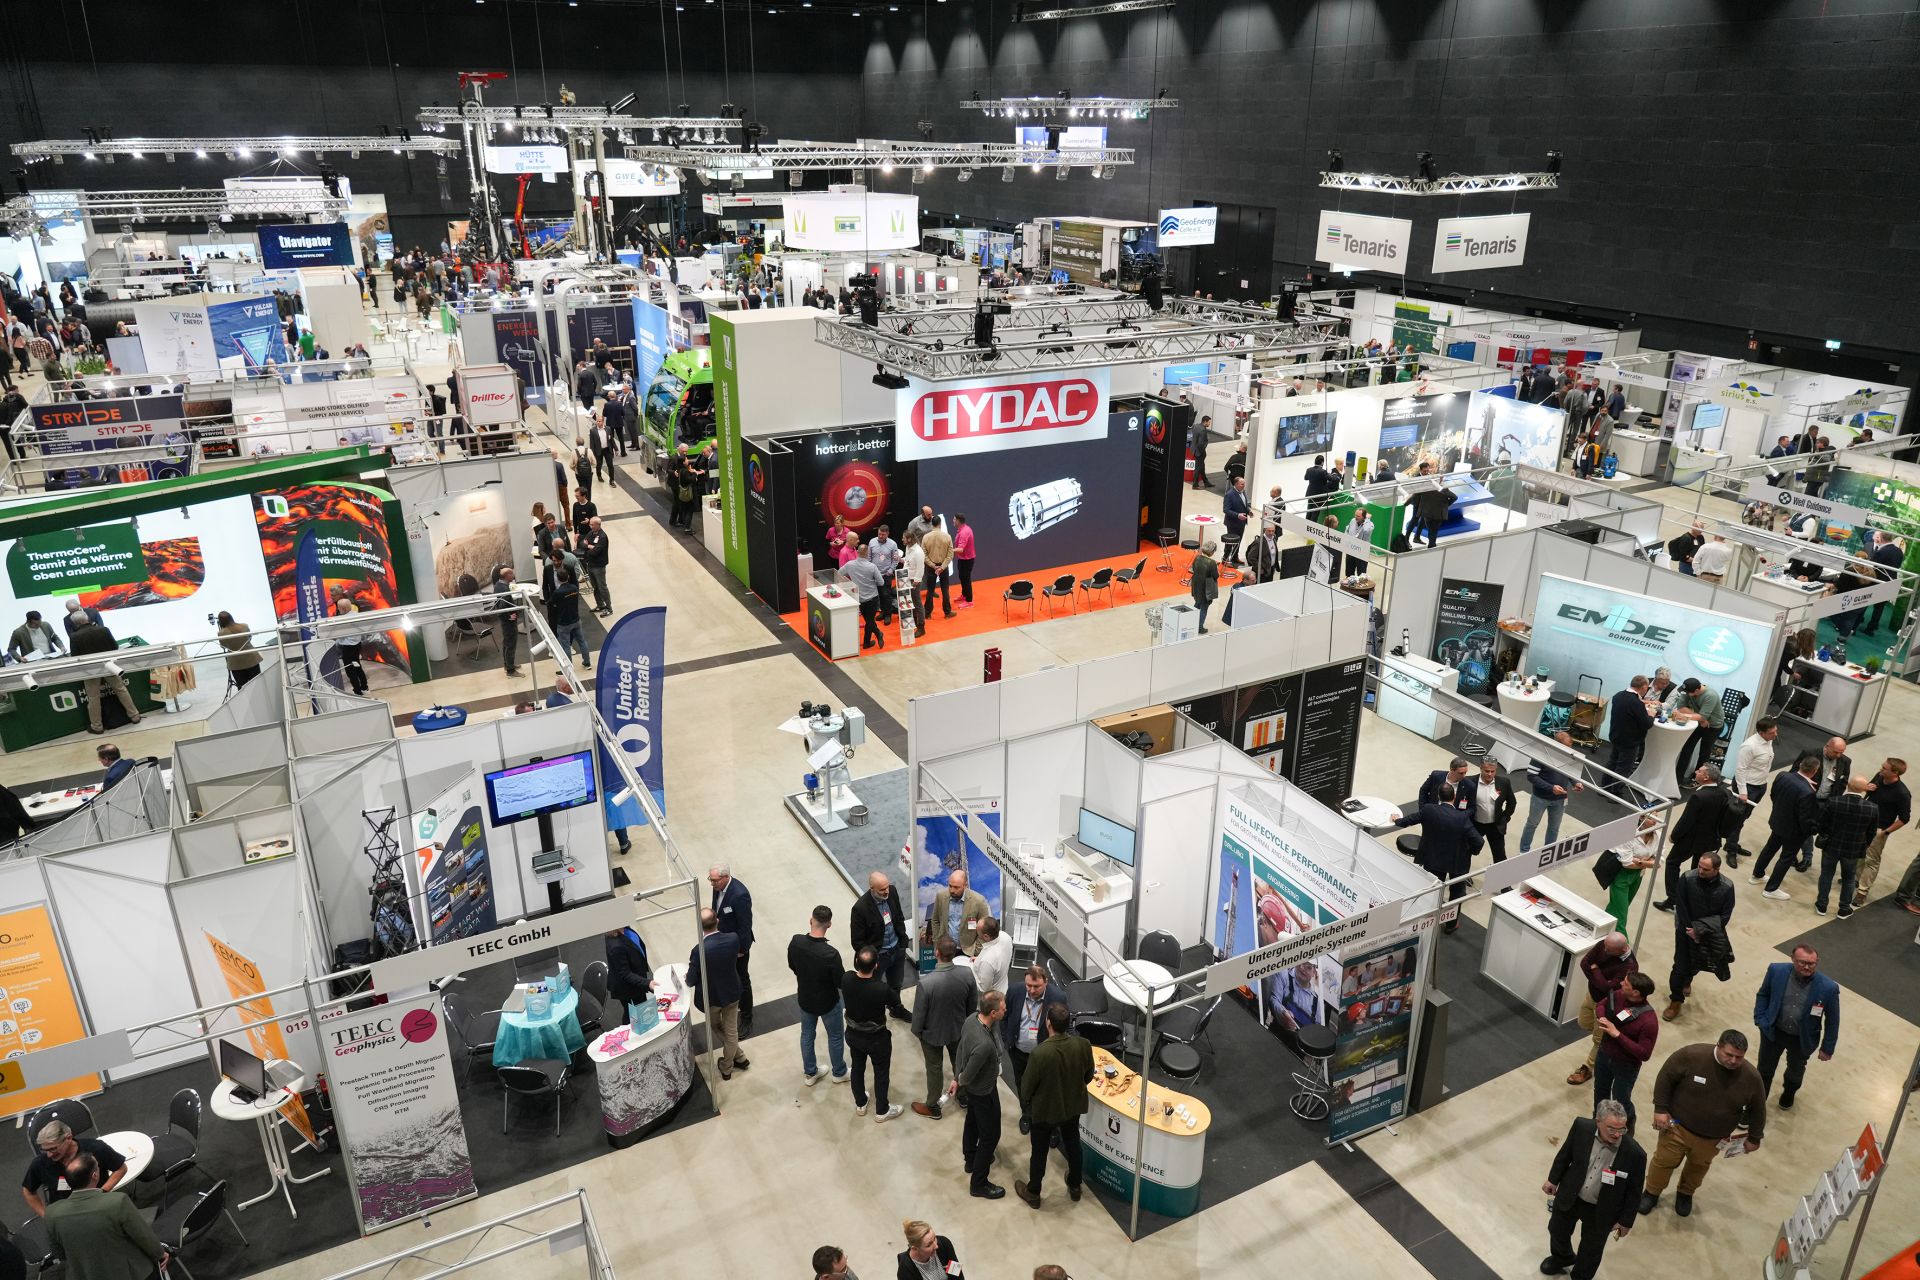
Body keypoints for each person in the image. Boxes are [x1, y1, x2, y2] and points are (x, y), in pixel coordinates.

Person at [1640, 1029, 1766, 1217]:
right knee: (1663, 1162)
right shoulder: (1691, 1055)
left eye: (1739, 1057)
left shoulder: (1751, 1077)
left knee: (1698, 1167)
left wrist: (1755, 1137)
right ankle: (1651, 1192)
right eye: (1729, 1054)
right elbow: (1666, 1077)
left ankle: (1685, 1194)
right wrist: (1660, 1109)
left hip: (1713, 1138)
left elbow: (1758, 1109)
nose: (1733, 1061)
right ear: (1718, 1046)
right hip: (1677, 1126)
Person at [1541, 1101, 1645, 1279]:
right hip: (1572, 1194)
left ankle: (1580, 1277)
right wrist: (1553, 1179)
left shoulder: (1635, 1154)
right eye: (1611, 1128)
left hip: (1602, 1208)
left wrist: (1626, 1221)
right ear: (1598, 1121)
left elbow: (1634, 1192)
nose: (1617, 1134)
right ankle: (1562, 1257)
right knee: (1557, 1230)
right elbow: (1565, 1154)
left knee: (1591, 1250)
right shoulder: (1582, 1127)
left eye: (1622, 1129)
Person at [1015, 1004, 1094, 1208]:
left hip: (1044, 1113)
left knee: (1039, 1153)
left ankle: (1033, 1192)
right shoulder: (1084, 1045)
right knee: (1073, 1145)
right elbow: (1088, 1076)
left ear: (1048, 1023)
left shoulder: (1040, 1054)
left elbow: (1026, 1090)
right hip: (1072, 1108)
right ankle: (1075, 1186)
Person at [42, 1153, 167, 1280]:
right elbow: (142, 1235)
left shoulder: (52, 1213)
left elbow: (59, 1253)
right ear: (95, 1175)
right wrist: (160, 1253)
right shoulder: (117, 1202)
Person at [1753, 945, 1840, 1109]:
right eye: (1802, 963)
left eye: (1811, 963)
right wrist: (1760, 1019)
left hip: (1802, 1039)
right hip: (1773, 1032)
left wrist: (1827, 1047)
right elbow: (1764, 994)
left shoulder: (1828, 988)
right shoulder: (1776, 971)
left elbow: (1833, 1020)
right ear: (1792, 958)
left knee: (1795, 1071)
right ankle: (1757, 1106)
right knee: (1764, 1070)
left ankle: (1789, 1093)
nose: (1807, 967)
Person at [1393, 783, 1482, 932]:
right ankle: (1451, 924)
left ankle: (1428, 921)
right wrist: (1470, 851)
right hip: (1457, 862)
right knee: (1457, 893)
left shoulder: (1429, 810)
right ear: (1454, 798)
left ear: (1439, 797)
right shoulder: (1462, 817)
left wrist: (1397, 820)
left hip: (1434, 859)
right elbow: (1478, 841)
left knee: (1432, 891)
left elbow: (1409, 820)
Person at [1657, 766, 1742, 909]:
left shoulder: (1698, 796)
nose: (1696, 772)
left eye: (1700, 771)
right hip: (1711, 841)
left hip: (1691, 840)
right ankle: (1693, 900)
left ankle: (1673, 898)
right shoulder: (1724, 792)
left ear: (1706, 777)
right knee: (1698, 871)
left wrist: (1674, 836)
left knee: (1672, 862)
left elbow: (1686, 820)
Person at [910, 936, 977, 1119]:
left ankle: (933, 1107)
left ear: (936, 953)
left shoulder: (926, 984)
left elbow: (918, 1018)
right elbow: (972, 1006)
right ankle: (963, 1096)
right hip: (959, 1031)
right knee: (960, 1063)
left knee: (934, 1068)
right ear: (954, 952)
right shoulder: (967, 974)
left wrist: (919, 1033)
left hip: (932, 1035)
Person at [1665, 852, 1735, 1022]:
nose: (1700, 871)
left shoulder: (1727, 886)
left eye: (1706, 869)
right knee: (1680, 966)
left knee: (1697, 962)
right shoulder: (1687, 878)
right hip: (1685, 930)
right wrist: (1691, 928)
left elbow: (1725, 915)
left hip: (1708, 932)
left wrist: (1700, 930)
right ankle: (1676, 1000)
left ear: (1716, 870)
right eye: (1699, 867)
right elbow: (1681, 906)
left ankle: (1688, 980)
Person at [953, 991, 1008, 1198]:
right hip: (983, 1091)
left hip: (979, 1090)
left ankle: (970, 1158)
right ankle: (979, 1183)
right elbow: (967, 1077)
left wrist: (954, 1076)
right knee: (991, 1136)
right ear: (993, 1013)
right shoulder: (984, 1045)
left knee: (972, 1121)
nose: (1006, 1010)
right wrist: (959, 1080)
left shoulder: (971, 1020)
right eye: (1003, 1008)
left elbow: (960, 1049)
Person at [1564, 933, 1637, 1088]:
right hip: (1592, 995)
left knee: (1599, 1040)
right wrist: (1601, 980)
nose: (1604, 950)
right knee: (1583, 1022)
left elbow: (1609, 988)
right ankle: (1605, 1040)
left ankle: (1588, 1068)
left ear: (1621, 949)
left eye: (1608, 949)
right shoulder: (1605, 945)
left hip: (1607, 1006)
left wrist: (1596, 971)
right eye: (1604, 946)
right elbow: (1585, 963)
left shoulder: (1630, 967)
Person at [788, 904, 849, 1087]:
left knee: (807, 1034)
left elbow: (792, 965)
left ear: (811, 920)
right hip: (828, 1002)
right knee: (836, 1036)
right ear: (829, 924)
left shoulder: (796, 942)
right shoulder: (830, 954)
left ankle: (810, 1072)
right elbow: (840, 982)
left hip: (805, 998)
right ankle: (839, 1072)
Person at [1002, 965, 1066, 1135]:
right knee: (1023, 1086)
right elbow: (1005, 1017)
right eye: (1028, 985)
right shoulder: (1015, 991)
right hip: (1018, 1053)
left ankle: (1052, 1126)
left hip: (1044, 1057)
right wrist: (1006, 1038)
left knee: (1048, 1089)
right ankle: (1027, 1114)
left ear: (1046, 982)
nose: (1031, 990)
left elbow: (1063, 1026)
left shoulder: (1057, 997)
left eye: (1036, 986)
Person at [686, 908, 749, 1079]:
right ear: (718, 921)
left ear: (699, 927)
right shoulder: (733, 939)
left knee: (716, 1026)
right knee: (731, 1031)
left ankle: (727, 1066)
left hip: (712, 997)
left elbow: (690, 980)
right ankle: (739, 1056)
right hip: (732, 993)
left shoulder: (699, 950)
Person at [843, 946, 903, 1122]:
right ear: (877, 965)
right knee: (881, 1072)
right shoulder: (881, 989)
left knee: (857, 1067)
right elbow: (895, 1001)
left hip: (854, 1035)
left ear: (856, 962)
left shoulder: (846, 979)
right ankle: (882, 1110)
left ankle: (861, 1103)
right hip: (877, 1039)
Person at [22, 1121, 127, 1216]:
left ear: (68, 1138)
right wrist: (46, 1217)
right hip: (65, 1214)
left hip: (99, 1207)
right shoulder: (40, 1163)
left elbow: (121, 1168)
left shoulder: (96, 1148)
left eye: (53, 1148)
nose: (49, 1155)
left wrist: (102, 1193)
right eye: (45, 1150)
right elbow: (28, 1191)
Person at [1752, 754, 1819, 899]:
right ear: (1814, 771)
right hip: (1794, 831)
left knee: (1769, 848)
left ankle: (1757, 875)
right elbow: (1805, 818)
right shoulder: (1808, 792)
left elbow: (1773, 795)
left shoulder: (1782, 776)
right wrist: (1811, 830)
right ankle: (1771, 889)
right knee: (1786, 858)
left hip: (1777, 821)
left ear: (1800, 765)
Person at [849, 870, 911, 1021]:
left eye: (887, 887)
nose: (886, 891)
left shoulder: (893, 892)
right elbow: (857, 941)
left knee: (896, 984)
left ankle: (896, 1008)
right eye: (882, 889)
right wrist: (871, 959)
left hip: (897, 950)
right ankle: (874, 1016)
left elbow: (899, 917)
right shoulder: (860, 909)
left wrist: (903, 941)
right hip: (878, 957)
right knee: (872, 989)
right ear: (872, 888)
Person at [67, 613, 141, 734]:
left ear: (75, 623)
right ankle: (135, 716)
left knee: (93, 697)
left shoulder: (74, 637)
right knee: (121, 690)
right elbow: (114, 646)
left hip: (90, 670)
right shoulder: (103, 629)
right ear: (87, 618)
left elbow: (76, 657)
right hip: (109, 666)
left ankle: (97, 726)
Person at [1816, 776, 1877, 917]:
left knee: (1826, 875)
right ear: (1864, 789)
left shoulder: (1834, 802)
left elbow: (1822, 824)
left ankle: (1822, 905)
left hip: (1831, 846)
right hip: (1853, 849)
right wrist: (1863, 844)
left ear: (1848, 785)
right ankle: (1844, 908)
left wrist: (1826, 836)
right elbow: (1871, 832)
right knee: (1849, 879)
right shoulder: (1872, 808)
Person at [1854, 756, 1910, 909]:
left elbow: (1905, 818)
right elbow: (1868, 789)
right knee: (1859, 853)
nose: (1880, 769)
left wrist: (1885, 832)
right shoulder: (1879, 777)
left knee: (1871, 860)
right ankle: (1858, 879)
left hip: (1879, 828)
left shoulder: (1902, 793)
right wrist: (1867, 787)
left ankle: (1862, 892)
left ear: (1895, 773)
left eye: (1884, 768)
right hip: (1863, 822)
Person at [708, 863, 755, 1029]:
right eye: (711, 880)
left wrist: (742, 949)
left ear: (726, 877)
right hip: (722, 942)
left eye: (714, 880)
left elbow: (745, 925)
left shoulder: (739, 895)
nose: (712, 884)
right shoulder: (717, 887)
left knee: (742, 980)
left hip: (737, 948)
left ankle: (746, 1016)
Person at [1521, 734, 1584, 850]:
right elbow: (1531, 776)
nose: (1568, 751)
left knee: (1554, 828)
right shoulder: (1541, 754)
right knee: (1532, 824)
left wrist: (1576, 783)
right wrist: (1551, 788)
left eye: (1570, 748)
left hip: (1560, 800)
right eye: (1566, 747)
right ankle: (1524, 851)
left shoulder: (1569, 756)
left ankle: (1548, 853)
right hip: (1540, 798)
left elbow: (1570, 774)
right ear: (1556, 744)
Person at [1604, 815, 1662, 933]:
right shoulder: (1629, 834)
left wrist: (1639, 861)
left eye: (1657, 818)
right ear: (1642, 818)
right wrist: (1648, 861)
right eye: (1652, 818)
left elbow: (1659, 862)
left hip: (1638, 875)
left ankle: (1603, 928)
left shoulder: (1658, 835)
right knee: (1621, 914)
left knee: (1617, 907)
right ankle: (1623, 946)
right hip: (1621, 876)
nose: (1655, 821)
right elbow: (1627, 864)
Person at [1665, 678, 1725, 786]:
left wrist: (1695, 717)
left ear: (1697, 690)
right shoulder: (1687, 689)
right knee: (1687, 748)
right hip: (1700, 723)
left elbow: (1701, 715)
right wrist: (1699, 718)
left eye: (1689, 693)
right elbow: (1681, 707)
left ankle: (1698, 779)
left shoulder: (1710, 695)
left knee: (1704, 752)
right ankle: (1678, 778)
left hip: (1713, 726)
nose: (1687, 694)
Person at [922, 869, 990, 959]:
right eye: (950, 886)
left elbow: (985, 928)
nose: (952, 890)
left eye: (956, 887)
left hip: (968, 951)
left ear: (965, 885)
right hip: (945, 949)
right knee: (946, 973)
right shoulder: (941, 896)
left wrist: (976, 951)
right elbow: (935, 920)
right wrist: (937, 943)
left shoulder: (979, 901)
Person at [1458, 759, 1516, 863]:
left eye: (1492, 771)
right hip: (1475, 825)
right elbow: (1461, 803)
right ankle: (1462, 877)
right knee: (1465, 852)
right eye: (1486, 771)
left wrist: (1504, 818)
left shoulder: (1504, 782)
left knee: (1500, 856)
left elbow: (1512, 803)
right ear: (1481, 769)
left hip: (1495, 826)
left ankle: (1502, 878)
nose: (1490, 774)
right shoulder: (1469, 782)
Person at [1604, 676, 1655, 786]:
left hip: (1616, 735)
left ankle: (1604, 786)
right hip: (1630, 741)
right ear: (1644, 687)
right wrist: (1651, 715)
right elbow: (1647, 724)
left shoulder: (1618, 696)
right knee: (1624, 768)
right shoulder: (1636, 703)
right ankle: (1615, 793)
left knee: (1612, 762)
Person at [840, 547, 887, 651]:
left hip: (859, 598)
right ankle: (877, 635)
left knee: (869, 621)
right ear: (868, 554)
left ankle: (868, 641)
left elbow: (839, 573)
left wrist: (850, 585)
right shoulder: (872, 567)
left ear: (857, 553)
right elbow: (881, 582)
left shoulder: (850, 565)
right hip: (872, 599)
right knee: (869, 621)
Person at [604, 925, 652, 1023]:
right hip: (628, 987)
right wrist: (648, 983)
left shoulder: (625, 929)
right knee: (632, 1014)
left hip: (637, 977)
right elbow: (625, 974)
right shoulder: (616, 946)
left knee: (642, 1009)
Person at [547, 567, 591, 669]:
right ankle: (587, 663)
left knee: (565, 645)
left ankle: (569, 667)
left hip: (564, 623)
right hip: (576, 619)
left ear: (557, 578)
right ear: (568, 576)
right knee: (582, 641)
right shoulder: (574, 588)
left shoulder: (558, 593)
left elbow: (550, 603)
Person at [1864, 531, 1906, 633]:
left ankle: (1856, 625)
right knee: (1880, 607)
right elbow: (1898, 566)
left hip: (1877, 581)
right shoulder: (1899, 551)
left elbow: (1872, 566)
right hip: (1891, 582)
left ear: (1881, 539)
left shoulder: (1881, 551)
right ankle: (1871, 628)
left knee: (1864, 602)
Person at [896, 1220, 963, 1280]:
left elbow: (957, 1275)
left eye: (934, 1238)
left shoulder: (944, 1244)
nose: (936, 1246)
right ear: (915, 1248)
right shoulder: (905, 1272)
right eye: (929, 1245)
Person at [490, 566, 523, 677]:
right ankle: (511, 670)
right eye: (512, 574)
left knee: (506, 643)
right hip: (508, 622)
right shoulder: (504, 589)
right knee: (510, 644)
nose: (513, 576)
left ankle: (508, 665)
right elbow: (502, 607)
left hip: (504, 621)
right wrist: (509, 616)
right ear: (507, 576)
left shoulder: (499, 585)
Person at [970, 916, 1014, 999]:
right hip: (1003, 986)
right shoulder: (1006, 936)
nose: (975, 928)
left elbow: (983, 988)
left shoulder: (988, 960)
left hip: (993, 999)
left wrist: (971, 970)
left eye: (977, 930)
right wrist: (978, 961)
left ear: (986, 937)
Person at [867, 525, 903, 623]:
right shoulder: (872, 542)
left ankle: (888, 615)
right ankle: (883, 612)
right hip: (874, 575)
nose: (880, 536)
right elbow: (869, 557)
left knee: (886, 595)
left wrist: (890, 571)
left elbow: (895, 560)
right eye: (879, 534)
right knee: (878, 595)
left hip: (886, 574)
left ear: (887, 534)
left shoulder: (893, 544)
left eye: (883, 534)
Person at [921, 522, 955, 621]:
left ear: (932, 524)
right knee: (945, 590)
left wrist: (933, 566)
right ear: (940, 524)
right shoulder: (947, 537)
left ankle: (927, 613)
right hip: (943, 567)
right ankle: (947, 612)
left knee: (930, 590)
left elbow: (924, 555)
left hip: (931, 567)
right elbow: (950, 555)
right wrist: (942, 567)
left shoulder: (926, 537)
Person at [578, 517, 611, 617]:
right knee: (595, 587)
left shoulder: (602, 537)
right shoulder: (591, 533)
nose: (590, 526)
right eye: (590, 524)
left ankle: (609, 608)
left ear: (598, 525)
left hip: (599, 566)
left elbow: (596, 552)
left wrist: (589, 548)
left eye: (592, 525)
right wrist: (589, 546)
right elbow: (582, 543)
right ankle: (600, 605)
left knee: (602, 587)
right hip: (591, 564)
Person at [1189, 540, 1220, 633]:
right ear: (1211, 551)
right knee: (1204, 607)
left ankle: (1190, 622)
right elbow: (1216, 576)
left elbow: (1194, 569)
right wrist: (1216, 569)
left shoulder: (1197, 558)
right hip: (1206, 588)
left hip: (1196, 585)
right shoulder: (1212, 563)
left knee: (1197, 603)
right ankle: (1199, 627)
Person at [1221, 477, 1250, 567]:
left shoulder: (1243, 492)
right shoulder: (1229, 494)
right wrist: (1238, 515)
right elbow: (1226, 510)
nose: (1244, 486)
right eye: (1242, 484)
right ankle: (1225, 559)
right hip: (1232, 523)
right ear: (1236, 484)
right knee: (1230, 543)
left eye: (1244, 484)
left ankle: (1234, 557)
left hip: (1242, 523)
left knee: (1238, 541)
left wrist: (1248, 511)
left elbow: (1244, 504)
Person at [951, 514, 976, 608]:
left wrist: (949, 550)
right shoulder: (962, 529)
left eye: (954, 519)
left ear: (958, 521)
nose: (952, 521)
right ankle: (964, 595)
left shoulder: (964, 532)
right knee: (962, 577)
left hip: (967, 560)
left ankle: (969, 601)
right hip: (962, 558)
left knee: (966, 579)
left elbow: (960, 549)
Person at [1189, 416, 1214, 490]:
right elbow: (1201, 444)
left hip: (1194, 450)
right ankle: (1195, 485)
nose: (1209, 423)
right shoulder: (1203, 430)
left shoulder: (1196, 426)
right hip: (1199, 452)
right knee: (1198, 468)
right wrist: (1202, 453)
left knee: (1202, 467)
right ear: (1205, 422)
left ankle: (1206, 482)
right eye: (1209, 422)